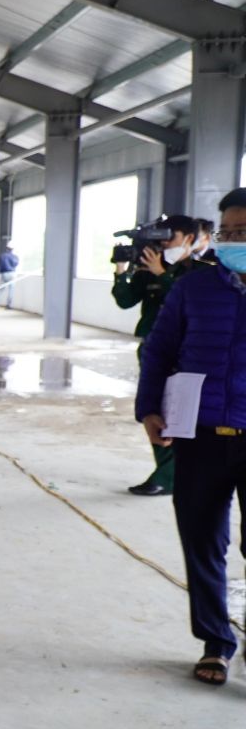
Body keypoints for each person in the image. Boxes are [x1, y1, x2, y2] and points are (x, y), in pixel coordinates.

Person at [135, 188, 246, 687]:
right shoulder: (194, 287)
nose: (234, 240)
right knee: (202, 541)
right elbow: (159, 349)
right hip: (200, 435)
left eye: (244, 232)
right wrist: (149, 409)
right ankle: (216, 642)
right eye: (228, 232)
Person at [112, 214, 205, 497]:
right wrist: (121, 268)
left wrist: (162, 275)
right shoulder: (150, 267)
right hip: (153, 348)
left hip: (186, 351)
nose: (164, 244)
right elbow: (125, 300)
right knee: (153, 410)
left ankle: (170, 475)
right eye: (160, 238)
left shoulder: (200, 271)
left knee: (181, 413)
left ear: (189, 238)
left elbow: (191, 305)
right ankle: (167, 473)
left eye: (169, 237)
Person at [0, 242, 19, 309]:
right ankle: (9, 305)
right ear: (12, 249)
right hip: (12, 274)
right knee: (11, 290)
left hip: (4, 274)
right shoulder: (15, 257)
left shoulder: (2, 256)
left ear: (6, 248)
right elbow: (16, 264)